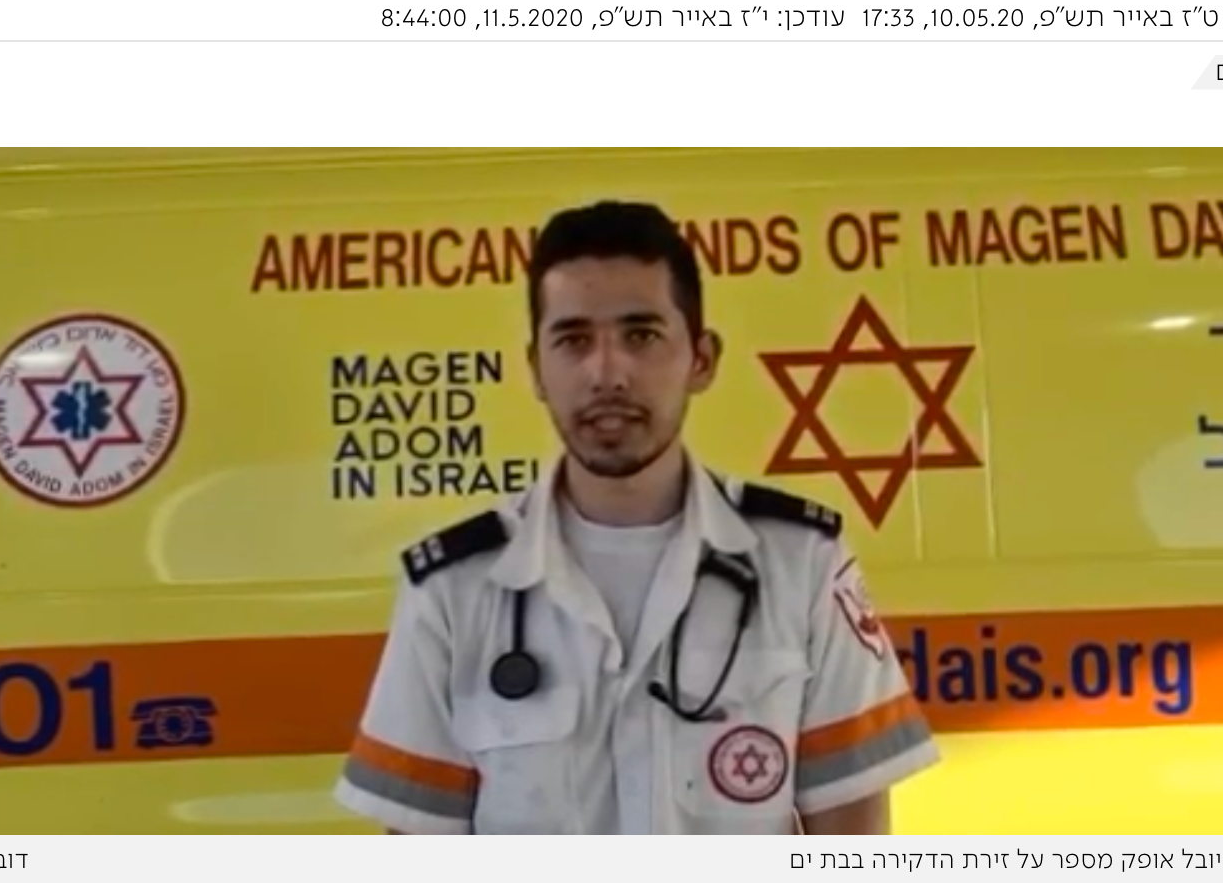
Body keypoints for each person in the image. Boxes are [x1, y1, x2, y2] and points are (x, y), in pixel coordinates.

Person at [331, 200, 939, 834]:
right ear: (537, 369)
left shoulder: (800, 564)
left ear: (701, 359)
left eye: (641, 335)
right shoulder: (453, 590)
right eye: (573, 340)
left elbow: (852, 826)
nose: (607, 372)